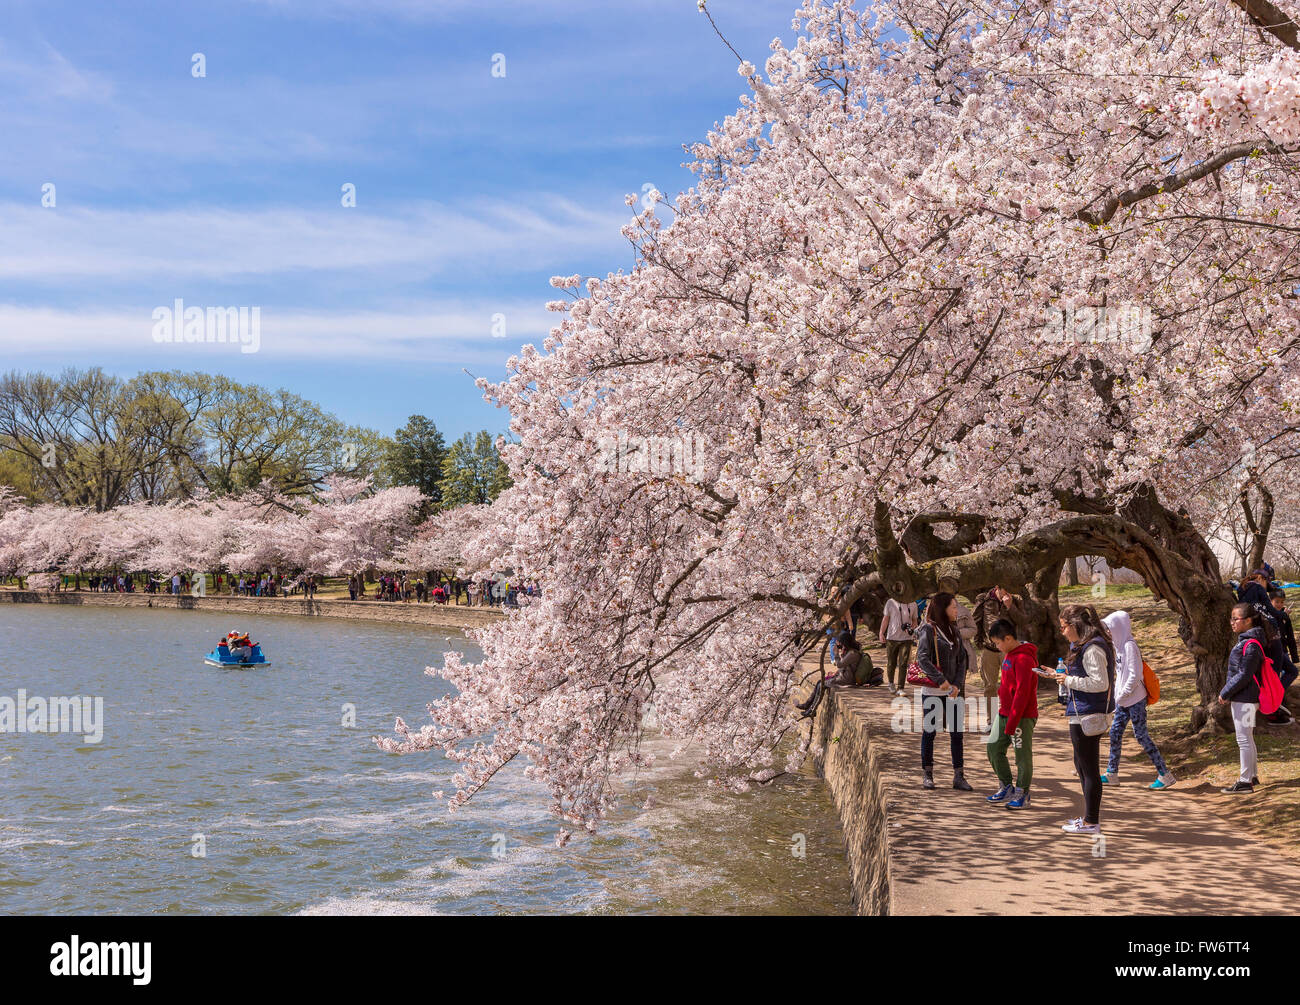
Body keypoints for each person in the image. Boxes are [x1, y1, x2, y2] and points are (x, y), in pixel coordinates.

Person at [1049, 604, 1115, 835]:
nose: (1063, 631)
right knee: (1081, 766)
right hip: (1082, 712)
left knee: (1088, 769)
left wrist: (1068, 681)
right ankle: (1088, 818)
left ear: (1076, 625)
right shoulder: (1085, 645)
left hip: (1089, 713)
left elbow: (1100, 683)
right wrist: (1062, 676)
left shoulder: (1093, 648)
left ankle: (1091, 822)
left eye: (1065, 627)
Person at [1101, 610, 1174, 789]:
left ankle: (1165, 775)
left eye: (1110, 629)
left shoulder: (1129, 646)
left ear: (1119, 628)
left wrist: (1122, 694)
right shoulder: (1118, 646)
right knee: (1115, 733)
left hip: (1135, 700)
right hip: (1123, 700)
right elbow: (1122, 674)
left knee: (1141, 735)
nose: (1108, 632)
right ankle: (1112, 773)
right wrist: (1117, 696)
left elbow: (1135, 675)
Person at [915, 592, 973, 792]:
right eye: (953, 607)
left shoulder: (954, 630)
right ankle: (928, 774)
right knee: (930, 733)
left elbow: (962, 659)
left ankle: (959, 775)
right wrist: (941, 681)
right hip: (932, 691)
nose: (957, 610)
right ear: (942, 608)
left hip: (954, 693)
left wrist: (957, 684)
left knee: (956, 734)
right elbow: (922, 658)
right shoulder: (927, 630)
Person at [985, 618, 1039, 809]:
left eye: (998, 643)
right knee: (993, 747)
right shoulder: (1009, 654)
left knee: (1021, 756)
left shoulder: (1024, 658)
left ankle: (1023, 792)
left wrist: (1013, 722)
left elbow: (1022, 694)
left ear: (1008, 638)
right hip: (1005, 713)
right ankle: (1006, 785)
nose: (997, 647)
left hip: (1021, 717)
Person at [1220, 603, 1265, 793]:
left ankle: (1245, 781)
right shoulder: (1249, 641)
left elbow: (1244, 674)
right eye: (1231, 618)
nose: (1232, 622)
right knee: (1248, 738)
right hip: (1247, 699)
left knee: (1244, 740)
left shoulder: (1250, 644)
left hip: (1245, 700)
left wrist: (1225, 692)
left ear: (1248, 621)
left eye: (1235, 618)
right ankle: (1252, 776)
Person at [974, 587, 1024, 699]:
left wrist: (1010, 606)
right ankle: (991, 716)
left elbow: (1023, 621)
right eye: (1004, 589)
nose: (1007, 592)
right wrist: (979, 643)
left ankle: (1011, 715)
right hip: (989, 649)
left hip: (1009, 650)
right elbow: (976, 620)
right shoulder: (984, 599)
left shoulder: (1016, 599)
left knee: (1011, 685)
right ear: (998, 587)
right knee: (990, 687)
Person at [879, 595, 918, 695]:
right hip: (892, 638)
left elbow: (915, 620)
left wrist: (912, 628)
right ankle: (891, 683)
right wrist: (881, 633)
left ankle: (901, 687)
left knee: (903, 663)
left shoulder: (913, 604)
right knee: (891, 662)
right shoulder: (891, 602)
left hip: (906, 639)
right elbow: (886, 618)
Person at [1269, 589, 1297, 665]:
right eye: (1277, 602)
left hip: (1283, 650)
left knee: (1292, 672)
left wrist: (1294, 657)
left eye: (1282, 602)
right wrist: (1283, 617)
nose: (1280, 604)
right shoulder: (1267, 614)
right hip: (1271, 652)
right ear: (1270, 601)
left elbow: (1290, 636)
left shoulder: (1284, 614)